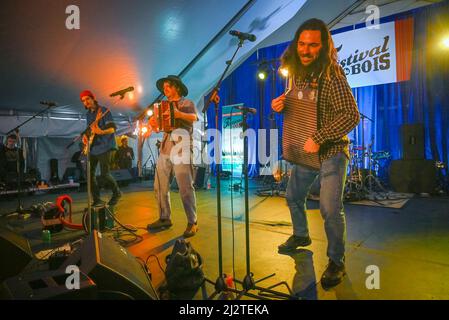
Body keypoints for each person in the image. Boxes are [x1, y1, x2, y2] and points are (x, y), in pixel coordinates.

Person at [271, 19, 360, 288]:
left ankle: (336, 261)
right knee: (293, 196)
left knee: (329, 208)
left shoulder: (332, 75)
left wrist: (319, 137)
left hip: (332, 151)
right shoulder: (296, 73)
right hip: (306, 154)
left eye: (312, 45)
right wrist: (281, 103)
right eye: (302, 44)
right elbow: (297, 104)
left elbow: (351, 115)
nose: (306, 50)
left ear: (323, 47)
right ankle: (301, 236)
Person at [147, 75, 199, 238]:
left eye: (168, 86)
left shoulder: (187, 103)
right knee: (160, 186)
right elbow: (157, 125)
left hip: (182, 146)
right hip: (165, 148)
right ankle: (164, 218)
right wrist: (153, 124)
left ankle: (192, 222)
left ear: (176, 87)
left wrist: (177, 114)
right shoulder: (162, 106)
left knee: (185, 187)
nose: (165, 89)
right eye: (164, 87)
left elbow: (194, 118)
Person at [80, 90, 122, 206]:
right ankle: (97, 199)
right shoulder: (88, 115)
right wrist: (85, 136)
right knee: (89, 174)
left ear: (93, 98)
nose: (86, 102)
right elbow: (89, 130)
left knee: (105, 174)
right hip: (93, 148)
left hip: (106, 146)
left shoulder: (103, 110)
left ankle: (117, 192)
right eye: (83, 101)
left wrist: (101, 131)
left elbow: (113, 129)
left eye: (87, 99)